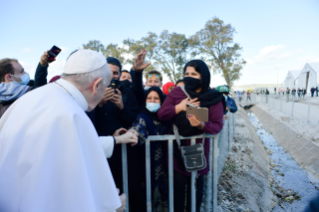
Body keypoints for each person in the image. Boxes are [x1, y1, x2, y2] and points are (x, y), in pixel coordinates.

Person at [0, 49, 137, 212]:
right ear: (97, 84)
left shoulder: (31, 98)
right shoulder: (70, 114)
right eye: (106, 86)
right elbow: (66, 196)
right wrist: (110, 208)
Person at [158, 59, 224, 212]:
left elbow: (217, 125)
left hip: (199, 152)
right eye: (186, 74)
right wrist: (179, 107)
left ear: (204, 76)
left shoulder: (213, 98)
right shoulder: (177, 93)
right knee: (177, 194)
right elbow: (162, 114)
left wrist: (202, 125)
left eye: (194, 74)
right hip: (177, 153)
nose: (189, 77)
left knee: (196, 193)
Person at [129, 87, 171, 212]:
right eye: (149, 98)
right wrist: (133, 132)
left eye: (156, 98)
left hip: (166, 165)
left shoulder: (166, 118)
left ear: (162, 100)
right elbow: (138, 127)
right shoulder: (143, 116)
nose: (152, 101)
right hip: (149, 166)